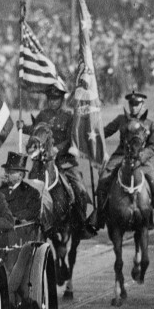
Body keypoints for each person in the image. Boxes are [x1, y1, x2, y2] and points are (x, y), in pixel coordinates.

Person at [18, 85, 92, 229]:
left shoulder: (69, 117)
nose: (53, 102)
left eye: (56, 99)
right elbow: (36, 132)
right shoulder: (42, 115)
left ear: (61, 100)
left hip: (65, 162)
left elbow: (72, 138)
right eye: (50, 99)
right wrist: (23, 127)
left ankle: (81, 223)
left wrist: (57, 148)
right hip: (43, 163)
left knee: (80, 189)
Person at [94, 91, 154, 230]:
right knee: (102, 181)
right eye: (131, 104)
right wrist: (92, 132)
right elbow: (105, 132)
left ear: (143, 105)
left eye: (137, 104)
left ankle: (152, 214)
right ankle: (101, 215)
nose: (133, 107)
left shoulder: (150, 124)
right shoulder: (121, 119)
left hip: (141, 159)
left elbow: (153, 145)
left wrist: (142, 156)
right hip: (120, 157)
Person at [0, 152, 40, 223]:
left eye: (9, 172)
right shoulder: (0, 188)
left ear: (20, 176)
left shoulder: (31, 192)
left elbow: (31, 211)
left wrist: (13, 217)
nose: (5, 174)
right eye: (6, 171)